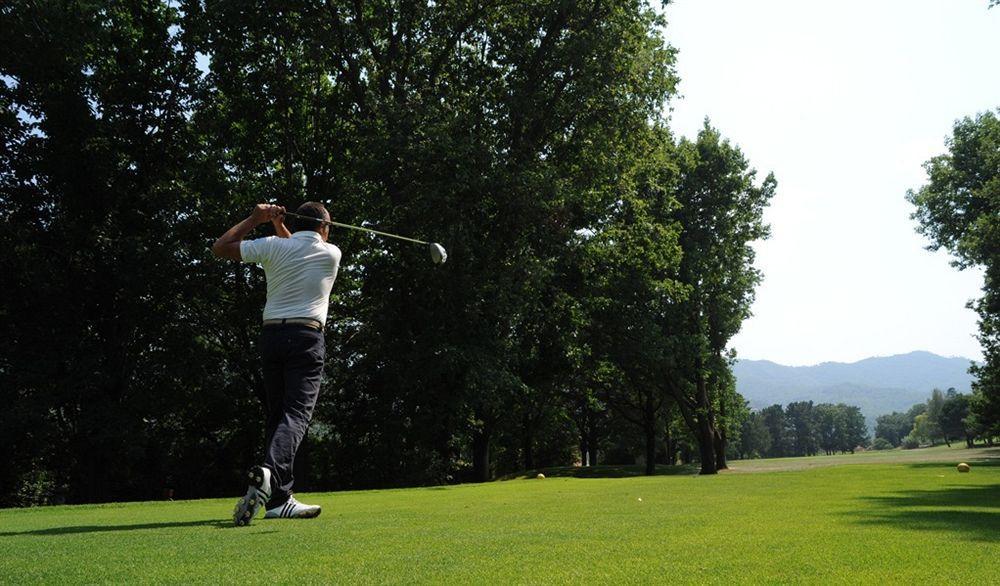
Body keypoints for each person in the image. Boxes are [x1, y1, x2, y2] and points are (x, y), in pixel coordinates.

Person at [211, 202, 341, 525]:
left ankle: (279, 500)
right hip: (306, 338)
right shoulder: (331, 254)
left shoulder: (274, 247)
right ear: (324, 229)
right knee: (296, 414)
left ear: (297, 226)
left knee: (277, 415)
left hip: (271, 337)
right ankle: (269, 473)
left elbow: (220, 247)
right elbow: (303, 248)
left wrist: (256, 219)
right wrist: (277, 226)